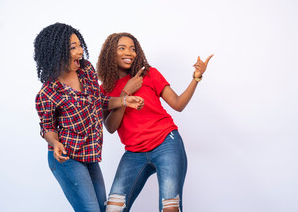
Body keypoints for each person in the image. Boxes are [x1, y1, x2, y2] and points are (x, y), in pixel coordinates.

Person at [34, 23, 144, 212]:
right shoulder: (49, 92)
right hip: (66, 157)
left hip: (88, 154)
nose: (80, 52)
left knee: (103, 209)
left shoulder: (86, 70)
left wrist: (124, 102)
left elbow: (98, 101)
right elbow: (47, 128)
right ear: (56, 52)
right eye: (73, 48)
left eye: (79, 46)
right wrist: (56, 143)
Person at [97, 32, 213, 212]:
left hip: (166, 143)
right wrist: (125, 93)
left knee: (170, 207)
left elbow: (178, 104)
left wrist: (196, 77)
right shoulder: (104, 89)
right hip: (134, 152)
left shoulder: (149, 74)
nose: (129, 52)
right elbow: (111, 127)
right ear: (110, 53)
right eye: (122, 48)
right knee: (113, 208)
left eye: (132, 48)